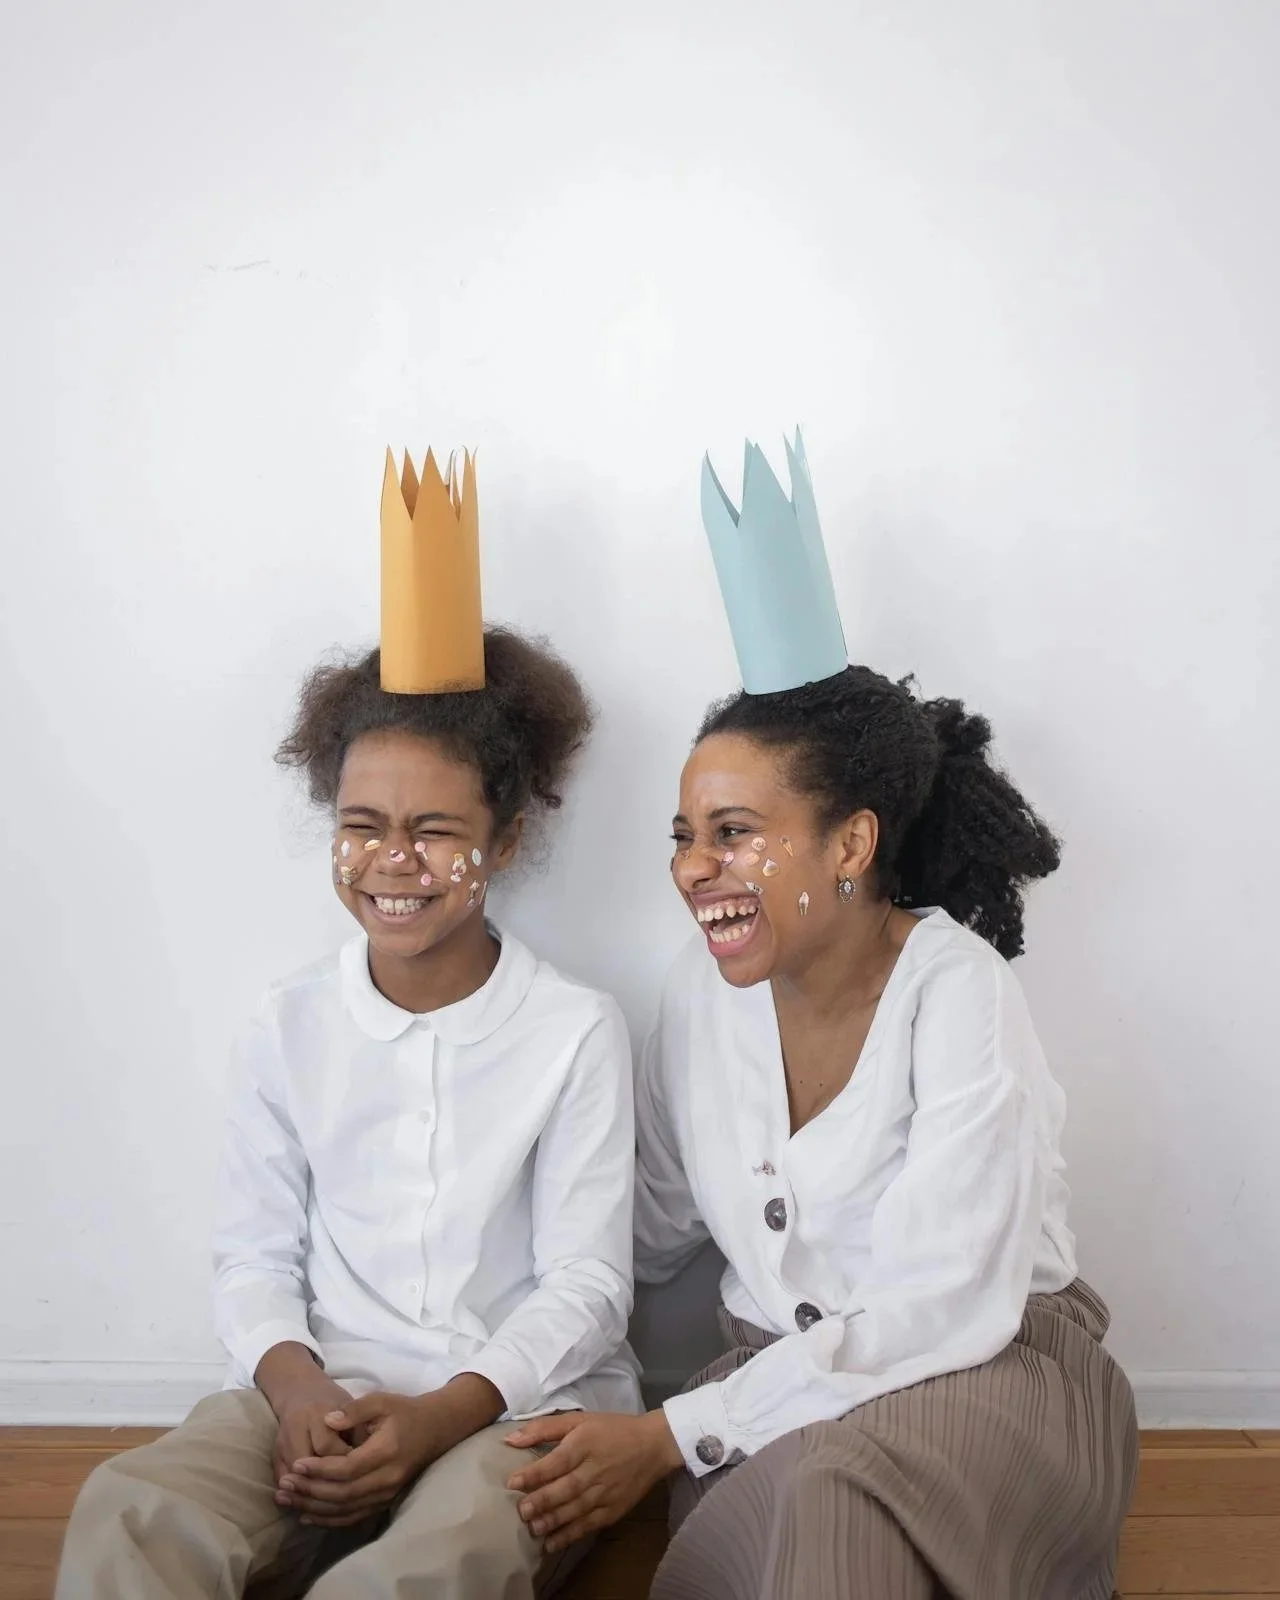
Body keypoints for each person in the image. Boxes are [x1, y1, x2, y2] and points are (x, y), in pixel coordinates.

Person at [505, 434, 1138, 1599]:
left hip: (988, 1375)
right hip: (773, 1399)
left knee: (830, 1502)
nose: (695, 867)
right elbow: (638, 1231)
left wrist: (666, 1435)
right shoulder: (698, 999)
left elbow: (948, 1302)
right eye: (683, 835)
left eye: (734, 831)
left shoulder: (955, 993)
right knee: (811, 1515)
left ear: (849, 843)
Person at [56, 448, 641, 1600]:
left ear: (506, 840)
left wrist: (436, 1418)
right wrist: (297, 1390)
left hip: (503, 1405)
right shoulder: (288, 1024)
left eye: (434, 828)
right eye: (362, 822)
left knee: (420, 1567)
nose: (392, 861)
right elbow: (254, 1255)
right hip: (316, 1391)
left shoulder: (575, 1030)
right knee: (128, 1509)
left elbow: (585, 1286)